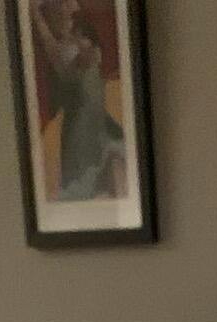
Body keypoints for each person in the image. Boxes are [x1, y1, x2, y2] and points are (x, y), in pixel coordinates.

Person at [30, 0, 126, 200]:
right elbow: (55, 51)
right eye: (66, 3)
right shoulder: (64, 54)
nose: (74, 7)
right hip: (82, 136)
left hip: (95, 131)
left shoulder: (85, 54)